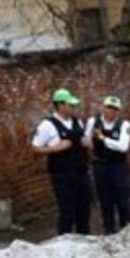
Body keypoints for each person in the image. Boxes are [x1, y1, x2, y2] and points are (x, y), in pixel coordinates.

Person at [31, 88, 92, 235]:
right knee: (67, 213)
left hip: (81, 173)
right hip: (62, 176)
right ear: (60, 105)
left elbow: (84, 141)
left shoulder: (77, 122)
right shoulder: (47, 125)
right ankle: (63, 243)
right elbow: (35, 149)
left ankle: (84, 242)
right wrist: (56, 148)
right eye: (70, 105)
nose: (73, 108)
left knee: (84, 212)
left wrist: (86, 143)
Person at [84, 95, 130, 234]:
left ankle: (127, 228)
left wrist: (103, 138)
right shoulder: (93, 122)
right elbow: (86, 140)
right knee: (105, 199)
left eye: (114, 109)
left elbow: (123, 147)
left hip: (118, 165)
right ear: (103, 108)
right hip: (101, 165)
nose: (111, 111)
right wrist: (90, 146)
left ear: (118, 111)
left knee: (123, 199)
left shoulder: (124, 124)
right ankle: (109, 230)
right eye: (108, 108)